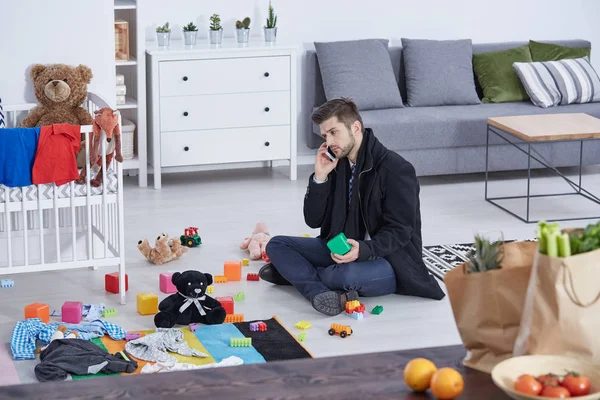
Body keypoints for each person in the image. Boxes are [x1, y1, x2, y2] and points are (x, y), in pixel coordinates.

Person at [260, 98, 445, 316]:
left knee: (341, 276)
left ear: (355, 128)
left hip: (387, 260)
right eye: (325, 136)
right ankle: (316, 289)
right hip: (340, 249)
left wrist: (364, 249)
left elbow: (401, 231)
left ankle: (298, 274)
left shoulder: (396, 169)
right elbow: (313, 220)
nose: (329, 142)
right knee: (277, 244)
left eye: (334, 132)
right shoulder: (337, 164)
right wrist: (320, 177)